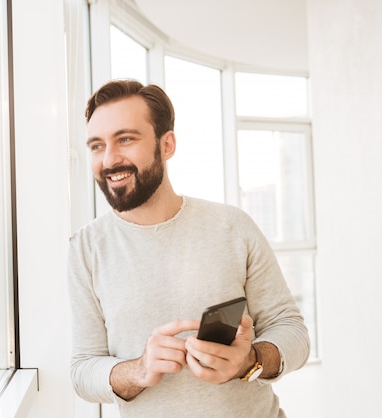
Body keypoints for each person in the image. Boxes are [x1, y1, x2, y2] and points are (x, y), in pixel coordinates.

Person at [67, 79, 310, 418]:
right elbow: (82, 369)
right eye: (97, 145)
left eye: (125, 139)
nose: (109, 159)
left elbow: (292, 330)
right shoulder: (85, 249)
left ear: (167, 145)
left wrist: (250, 361)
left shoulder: (233, 226)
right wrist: (138, 370)